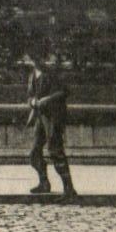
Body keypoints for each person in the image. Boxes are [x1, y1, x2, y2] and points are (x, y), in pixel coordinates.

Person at [23, 49, 77, 198]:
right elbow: (30, 96)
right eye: (33, 59)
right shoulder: (32, 75)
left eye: (38, 58)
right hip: (41, 116)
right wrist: (32, 102)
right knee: (34, 153)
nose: (36, 61)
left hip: (54, 116)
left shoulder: (52, 74)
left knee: (55, 150)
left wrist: (47, 99)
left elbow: (64, 92)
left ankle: (69, 189)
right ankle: (44, 183)